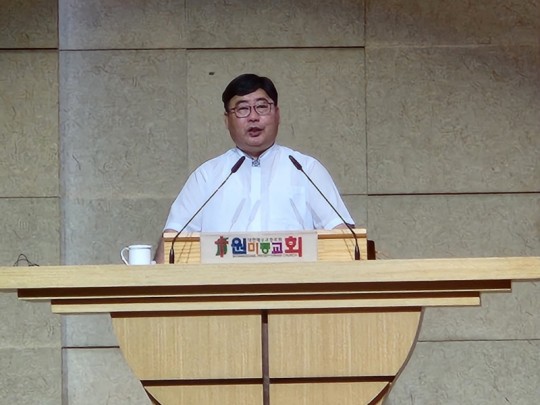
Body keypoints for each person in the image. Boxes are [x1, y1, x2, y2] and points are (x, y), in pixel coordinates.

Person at [155, 73, 354, 262]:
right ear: (227, 120)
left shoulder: (306, 169)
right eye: (242, 109)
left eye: (262, 107)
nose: (253, 117)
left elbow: (344, 238)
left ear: (277, 114)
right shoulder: (206, 176)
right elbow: (172, 241)